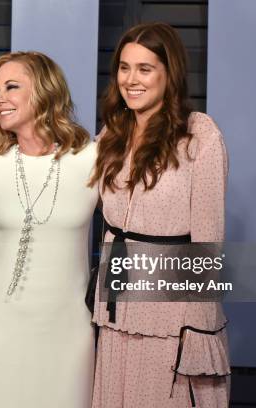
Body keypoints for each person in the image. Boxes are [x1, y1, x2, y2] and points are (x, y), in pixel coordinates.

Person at [0, 51, 98, 408]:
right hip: (0, 326)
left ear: (45, 91)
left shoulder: (92, 159)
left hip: (69, 327)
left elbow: (129, 227)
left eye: (11, 87)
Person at [89, 23, 231, 407]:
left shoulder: (200, 134)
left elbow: (208, 238)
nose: (130, 80)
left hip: (169, 313)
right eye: (124, 67)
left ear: (170, 74)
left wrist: (199, 331)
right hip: (115, 303)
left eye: (144, 69)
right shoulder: (111, 134)